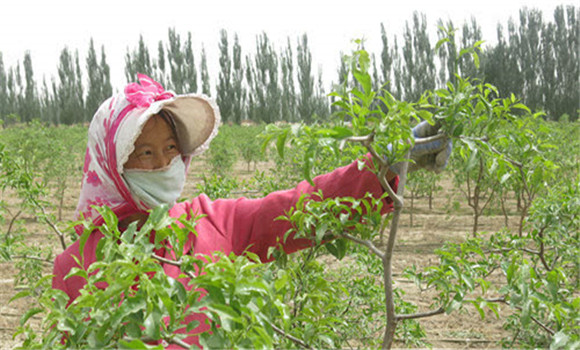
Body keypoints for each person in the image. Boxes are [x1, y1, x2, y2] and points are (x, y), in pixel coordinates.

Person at [51, 74, 451, 348]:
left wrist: (382, 166)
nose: (162, 165)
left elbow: (296, 208)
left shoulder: (212, 223)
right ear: (113, 165)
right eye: (145, 153)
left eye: (171, 149)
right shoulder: (78, 264)